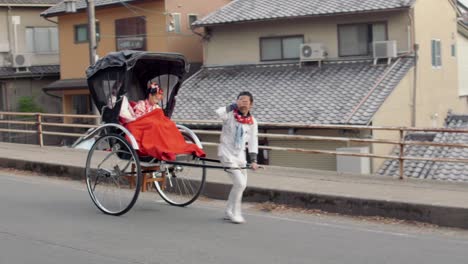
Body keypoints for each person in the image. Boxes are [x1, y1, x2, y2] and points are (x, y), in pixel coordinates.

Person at [122, 81, 205, 161]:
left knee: (170, 125)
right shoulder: (141, 104)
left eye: (158, 98)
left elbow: (160, 117)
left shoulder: (157, 107)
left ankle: (173, 146)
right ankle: (163, 147)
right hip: (144, 126)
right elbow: (140, 119)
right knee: (155, 124)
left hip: (154, 124)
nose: (157, 100)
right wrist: (151, 118)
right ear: (150, 95)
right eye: (155, 97)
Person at [215, 91, 259, 224]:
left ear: (251, 104)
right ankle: (236, 213)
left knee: (241, 185)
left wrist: (254, 160)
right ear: (237, 101)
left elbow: (253, 141)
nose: (243, 102)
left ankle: (228, 211)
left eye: (246, 101)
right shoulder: (229, 114)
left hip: (240, 156)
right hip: (226, 153)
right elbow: (218, 113)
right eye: (241, 100)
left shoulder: (252, 121)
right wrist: (232, 106)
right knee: (240, 183)